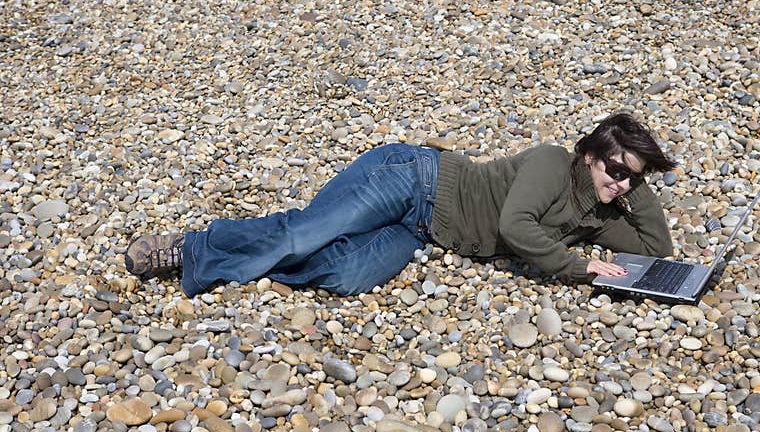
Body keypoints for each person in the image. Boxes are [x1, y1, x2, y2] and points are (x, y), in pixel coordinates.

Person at [124, 112, 676, 297]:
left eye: (634, 178)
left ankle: (248, 259)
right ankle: (192, 249)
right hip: (417, 179)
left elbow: (656, 250)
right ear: (587, 156)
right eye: (618, 170)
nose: (623, 185)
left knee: (345, 275)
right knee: (302, 235)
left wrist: (638, 182)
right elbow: (515, 225)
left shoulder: (603, 205)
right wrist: (579, 267)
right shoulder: (550, 162)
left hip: (426, 229)